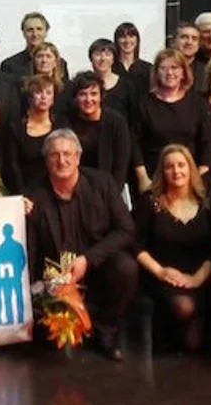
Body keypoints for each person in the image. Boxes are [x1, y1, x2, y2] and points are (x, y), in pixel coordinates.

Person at [26, 129, 138, 361]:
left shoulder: (103, 184)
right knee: (48, 345)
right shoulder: (33, 195)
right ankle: (75, 324)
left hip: (97, 267)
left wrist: (89, 259)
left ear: (78, 157)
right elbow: (31, 249)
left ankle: (105, 332)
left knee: (126, 268)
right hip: (55, 279)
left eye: (67, 154)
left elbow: (126, 230)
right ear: (46, 160)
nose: (62, 160)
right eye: (54, 155)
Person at [133, 145, 211, 352]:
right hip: (162, 275)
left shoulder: (206, 202)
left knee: (192, 344)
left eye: (181, 165)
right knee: (182, 307)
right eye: (169, 166)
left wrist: (197, 278)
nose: (176, 171)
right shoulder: (151, 202)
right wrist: (160, 272)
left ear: (191, 168)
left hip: (198, 277)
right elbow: (135, 244)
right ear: (162, 171)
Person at [130, 49, 211, 192]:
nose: (169, 73)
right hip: (153, 178)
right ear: (156, 73)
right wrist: (143, 178)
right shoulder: (143, 104)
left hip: (189, 178)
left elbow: (206, 143)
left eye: (174, 68)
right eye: (163, 68)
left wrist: (198, 179)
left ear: (183, 72)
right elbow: (134, 143)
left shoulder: (198, 103)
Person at [64, 71, 132, 193]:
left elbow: (120, 167)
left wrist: (110, 195)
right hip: (72, 188)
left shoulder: (116, 122)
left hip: (107, 189)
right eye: (82, 94)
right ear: (75, 97)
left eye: (94, 94)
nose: (88, 99)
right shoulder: (66, 121)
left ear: (101, 96)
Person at [6, 74, 59, 195]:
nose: (44, 97)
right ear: (30, 97)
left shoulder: (61, 125)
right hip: (25, 192)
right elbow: (12, 166)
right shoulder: (15, 128)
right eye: (39, 92)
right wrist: (22, 194)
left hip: (56, 190)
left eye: (48, 93)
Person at [0, 12, 68, 81]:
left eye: (39, 29)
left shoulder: (60, 64)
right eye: (30, 30)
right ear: (23, 33)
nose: (35, 34)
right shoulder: (9, 65)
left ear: (46, 32)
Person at [87, 38, 126, 114]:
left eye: (108, 54)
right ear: (91, 58)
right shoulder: (83, 84)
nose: (103, 59)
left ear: (113, 59)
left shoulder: (126, 85)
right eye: (98, 54)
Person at [113, 22, 153, 94]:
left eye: (131, 36)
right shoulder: (111, 68)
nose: (127, 40)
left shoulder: (148, 69)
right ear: (117, 40)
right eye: (123, 37)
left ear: (137, 40)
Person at [173, 22, 205, 90]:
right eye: (184, 37)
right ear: (173, 41)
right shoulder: (163, 69)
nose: (189, 42)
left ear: (199, 44)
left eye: (194, 38)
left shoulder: (206, 71)